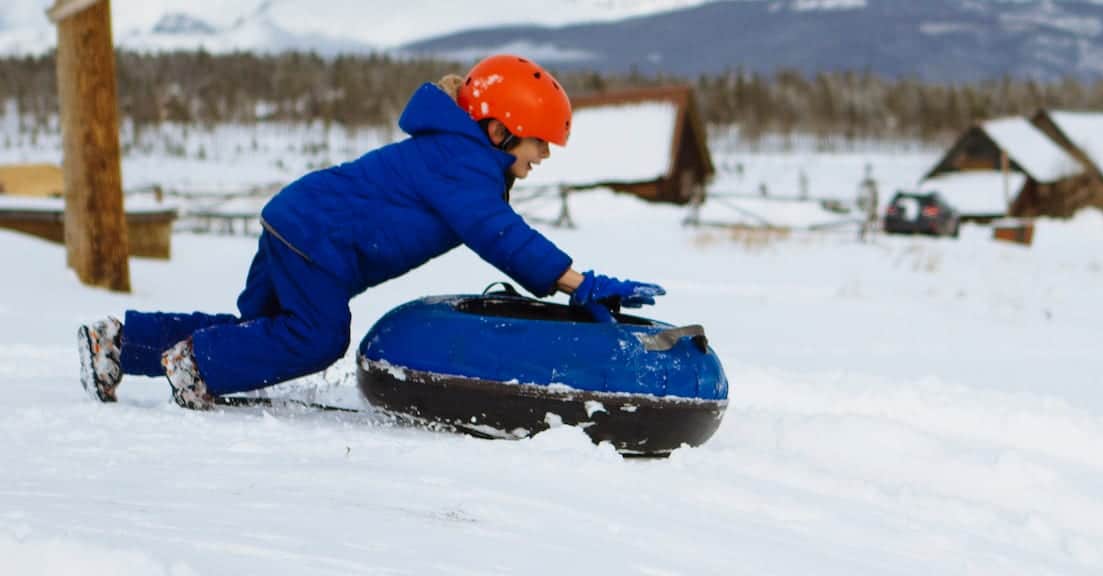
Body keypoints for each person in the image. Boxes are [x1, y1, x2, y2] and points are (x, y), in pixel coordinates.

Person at [76, 54, 665, 410]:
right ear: (500, 130)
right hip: (317, 238)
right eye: (540, 141)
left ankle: (120, 344)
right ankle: (196, 368)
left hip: (299, 222)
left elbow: (496, 224)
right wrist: (577, 282)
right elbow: (500, 236)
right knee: (316, 338)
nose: (544, 155)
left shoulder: (458, 156)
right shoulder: (461, 164)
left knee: (261, 333)